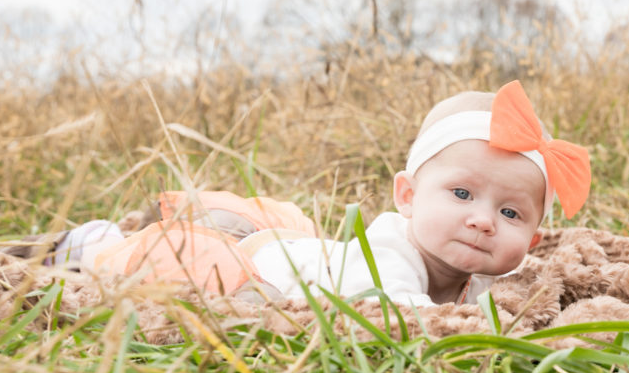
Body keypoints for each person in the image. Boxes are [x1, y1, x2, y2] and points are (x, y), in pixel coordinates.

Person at [50, 80, 591, 307]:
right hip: (257, 263)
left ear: (534, 237)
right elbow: (399, 319)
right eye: (460, 193)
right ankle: (90, 244)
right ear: (406, 196)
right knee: (176, 264)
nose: (482, 220)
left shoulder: (477, 278)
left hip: (284, 247)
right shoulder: (388, 257)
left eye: (510, 212)